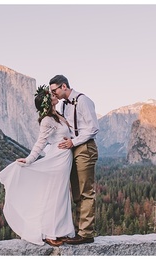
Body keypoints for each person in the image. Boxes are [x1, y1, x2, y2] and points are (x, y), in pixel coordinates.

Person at [0, 85, 75, 247]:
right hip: (57, 161)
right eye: (50, 95)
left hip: (63, 158)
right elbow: (40, 143)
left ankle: (58, 230)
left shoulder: (57, 115)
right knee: (54, 195)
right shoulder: (47, 120)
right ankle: (48, 233)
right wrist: (29, 160)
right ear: (47, 103)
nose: (53, 94)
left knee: (61, 194)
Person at [49, 75, 99, 245]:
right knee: (76, 192)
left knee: (86, 191)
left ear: (64, 86)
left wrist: (73, 142)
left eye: (54, 90)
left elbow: (93, 128)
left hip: (85, 148)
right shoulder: (64, 105)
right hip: (72, 149)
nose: (53, 94)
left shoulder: (83, 101)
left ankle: (86, 233)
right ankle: (79, 230)